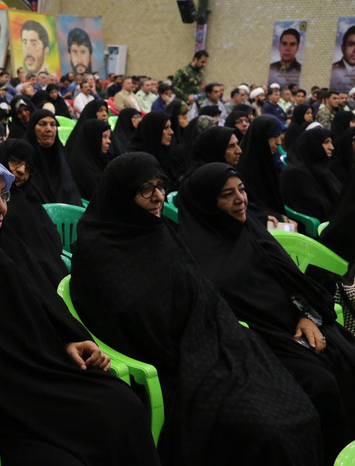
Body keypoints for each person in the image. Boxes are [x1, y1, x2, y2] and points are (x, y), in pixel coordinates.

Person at [0, 149, 160, 465]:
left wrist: (67, 341)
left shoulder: (0, 253)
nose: (1, 207)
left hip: (39, 382)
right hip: (0, 413)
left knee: (123, 405)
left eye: (4, 195)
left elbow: (35, 317)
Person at [71, 153, 322, 465]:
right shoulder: (98, 248)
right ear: (121, 195)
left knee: (299, 408)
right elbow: (122, 320)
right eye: (146, 189)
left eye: (160, 186)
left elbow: (201, 292)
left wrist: (212, 334)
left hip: (209, 344)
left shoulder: (158, 232)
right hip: (168, 365)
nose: (158, 197)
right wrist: (189, 342)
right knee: (264, 431)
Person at [178, 162, 355, 463]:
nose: (240, 200)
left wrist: (307, 316)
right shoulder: (194, 256)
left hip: (295, 325)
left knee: (347, 358)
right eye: (227, 195)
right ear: (207, 203)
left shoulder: (251, 231)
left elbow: (293, 282)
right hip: (257, 343)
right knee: (320, 384)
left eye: (242, 190)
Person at [0, 139, 68, 287]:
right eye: (15, 161)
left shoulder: (29, 198)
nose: (22, 171)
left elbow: (53, 244)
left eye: (28, 167)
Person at [236, 114, 289, 224]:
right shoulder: (243, 168)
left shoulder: (269, 159)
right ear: (261, 138)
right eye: (274, 136)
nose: (279, 142)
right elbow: (251, 207)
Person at [280, 127, 341, 220]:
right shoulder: (295, 174)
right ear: (313, 145)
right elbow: (320, 209)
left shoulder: (320, 167)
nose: (331, 147)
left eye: (331, 142)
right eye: (326, 142)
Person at [25, 109, 82, 205]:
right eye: (43, 124)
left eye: (53, 124)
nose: (49, 129)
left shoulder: (63, 156)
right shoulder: (25, 157)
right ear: (32, 128)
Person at [65, 118, 112, 200]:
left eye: (109, 137)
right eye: (104, 137)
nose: (109, 141)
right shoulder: (81, 167)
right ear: (92, 138)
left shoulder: (101, 160)